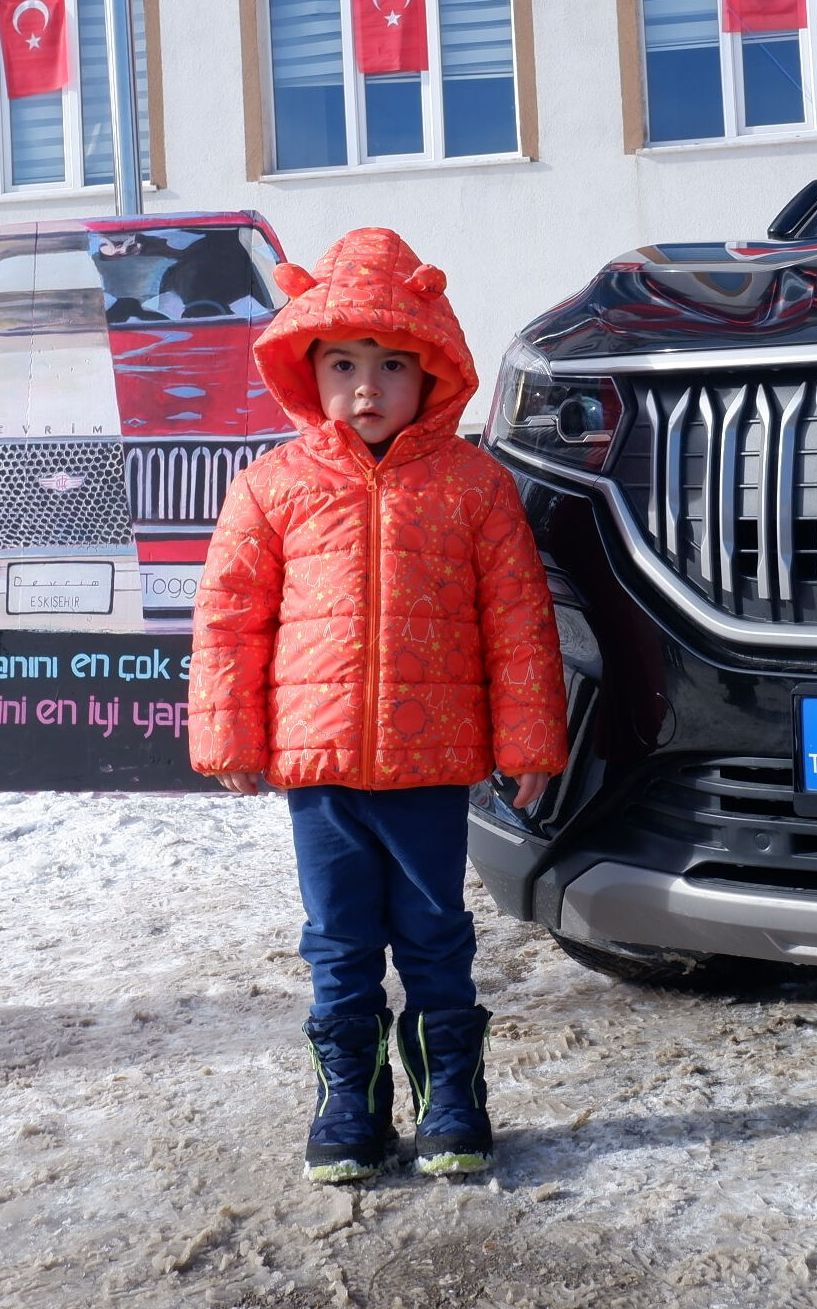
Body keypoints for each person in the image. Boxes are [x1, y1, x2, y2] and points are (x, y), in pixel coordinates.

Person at [188, 226, 566, 1183]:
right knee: (339, 938)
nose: (368, 387)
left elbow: (519, 619)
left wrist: (528, 738)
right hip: (320, 772)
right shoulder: (272, 487)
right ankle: (349, 1097)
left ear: (432, 369)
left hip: (430, 766)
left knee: (437, 932)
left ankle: (451, 1096)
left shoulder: (474, 487)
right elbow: (230, 615)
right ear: (307, 371)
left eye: (393, 363)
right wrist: (230, 730)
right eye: (345, 364)